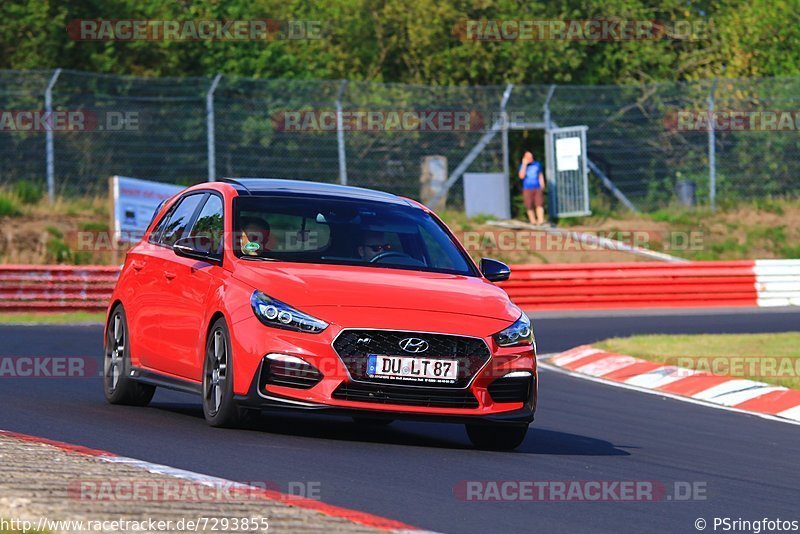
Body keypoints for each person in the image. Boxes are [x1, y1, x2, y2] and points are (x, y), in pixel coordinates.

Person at [518, 150, 546, 225]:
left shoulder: (537, 164)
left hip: (537, 187)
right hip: (527, 188)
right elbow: (521, 176)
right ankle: (533, 221)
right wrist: (524, 165)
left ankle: (540, 220)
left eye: (531, 157)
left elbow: (540, 175)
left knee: (539, 204)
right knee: (529, 205)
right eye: (528, 157)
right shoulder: (522, 166)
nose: (530, 158)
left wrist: (542, 185)